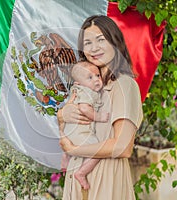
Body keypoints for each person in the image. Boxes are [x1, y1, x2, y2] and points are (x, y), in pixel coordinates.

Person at [57, 15, 143, 200]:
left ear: (115, 42)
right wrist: (62, 114)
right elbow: (70, 122)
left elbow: (122, 147)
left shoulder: (123, 85)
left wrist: (73, 150)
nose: (94, 48)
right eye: (87, 42)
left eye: (100, 40)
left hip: (106, 178)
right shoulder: (87, 87)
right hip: (78, 178)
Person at [60, 61, 109, 190]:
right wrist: (99, 117)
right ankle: (81, 173)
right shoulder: (87, 92)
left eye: (98, 75)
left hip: (70, 130)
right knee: (98, 151)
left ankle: (66, 157)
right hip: (80, 131)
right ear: (78, 83)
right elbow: (84, 108)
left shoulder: (79, 90)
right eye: (90, 78)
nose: (96, 80)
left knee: (72, 146)